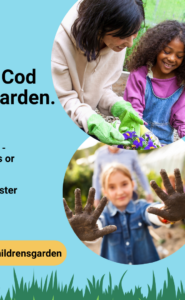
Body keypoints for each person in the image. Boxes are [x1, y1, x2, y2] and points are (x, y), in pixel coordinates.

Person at [51, 0, 145, 145]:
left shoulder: (117, 41)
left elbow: (101, 87)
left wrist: (117, 105)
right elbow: (61, 97)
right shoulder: (59, 39)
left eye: (134, 32)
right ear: (98, 24)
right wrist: (91, 120)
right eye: (124, 35)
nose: (130, 43)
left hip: (80, 117)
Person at [63, 165, 185, 265]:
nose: (120, 192)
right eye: (112, 187)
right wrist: (88, 228)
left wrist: (166, 213)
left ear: (132, 185)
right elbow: (97, 226)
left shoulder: (140, 207)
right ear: (105, 192)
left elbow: (151, 212)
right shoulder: (104, 214)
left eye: (124, 184)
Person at [124, 20, 185, 145]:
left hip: (163, 143)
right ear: (155, 47)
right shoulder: (139, 75)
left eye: (179, 56)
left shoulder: (182, 84)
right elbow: (133, 113)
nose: (172, 58)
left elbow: (182, 120)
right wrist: (147, 140)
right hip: (134, 136)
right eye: (167, 51)